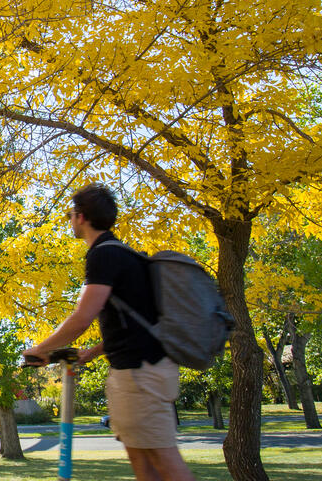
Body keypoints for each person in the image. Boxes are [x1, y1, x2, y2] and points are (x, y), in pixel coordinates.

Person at [22, 183, 195, 481]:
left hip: (140, 376)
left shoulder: (103, 255)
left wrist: (39, 349)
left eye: (70, 214)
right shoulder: (125, 254)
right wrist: (93, 352)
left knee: (166, 463)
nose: (70, 220)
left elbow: (82, 318)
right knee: (144, 465)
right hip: (143, 370)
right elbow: (134, 323)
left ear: (82, 217)